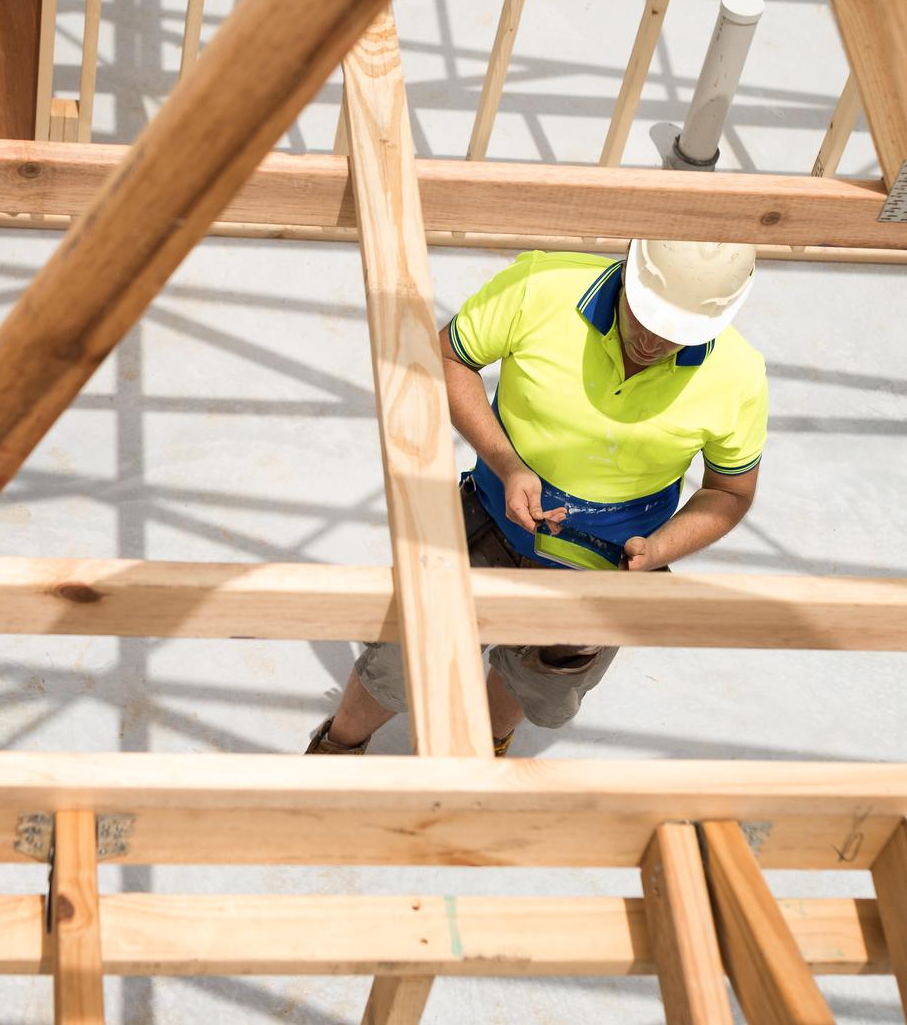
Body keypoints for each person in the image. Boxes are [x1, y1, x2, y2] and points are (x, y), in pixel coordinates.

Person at [307, 239, 768, 756]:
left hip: (606, 568)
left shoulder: (738, 376)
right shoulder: (541, 288)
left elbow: (729, 491)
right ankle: (338, 749)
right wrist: (507, 464)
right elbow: (447, 358)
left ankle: (482, 748)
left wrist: (660, 548)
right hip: (491, 520)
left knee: (540, 678)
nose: (652, 342)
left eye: (677, 333)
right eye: (646, 317)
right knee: (404, 657)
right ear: (628, 274)